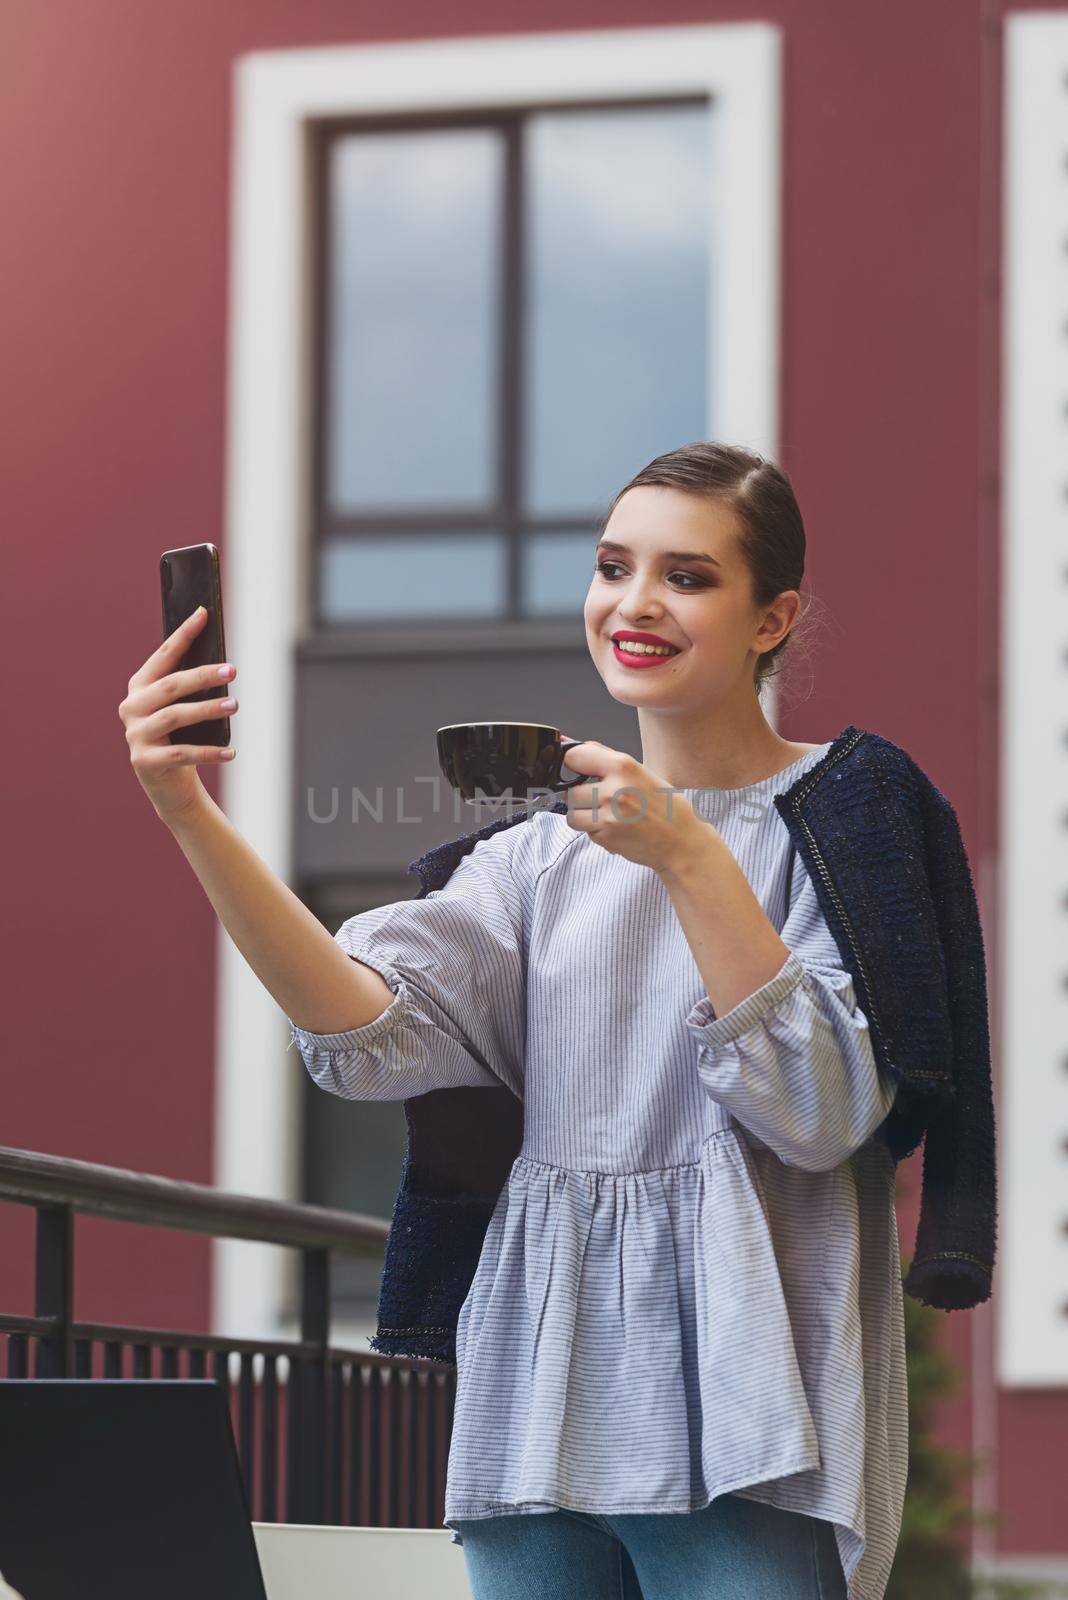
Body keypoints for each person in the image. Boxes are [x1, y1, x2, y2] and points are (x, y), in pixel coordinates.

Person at [117, 442, 973, 1600]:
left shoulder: (850, 814)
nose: (634, 603)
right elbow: (367, 1036)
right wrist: (187, 811)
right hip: (537, 1405)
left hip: (754, 1419)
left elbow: (821, 1115)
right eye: (614, 566)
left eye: (688, 576)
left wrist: (685, 854)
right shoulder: (525, 861)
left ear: (773, 618)